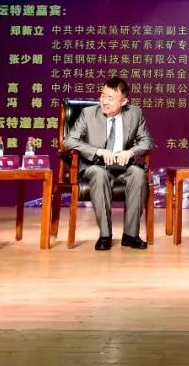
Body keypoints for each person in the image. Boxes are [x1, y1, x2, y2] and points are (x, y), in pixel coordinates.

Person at [65, 77, 154, 251]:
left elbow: (146, 142)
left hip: (123, 166)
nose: (104, 101)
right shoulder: (88, 113)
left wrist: (131, 152)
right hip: (96, 166)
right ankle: (105, 235)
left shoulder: (135, 113)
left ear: (124, 101)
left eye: (110, 98)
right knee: (100, 175)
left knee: (138, 174)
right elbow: (69, 141)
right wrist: (97, 151)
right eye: (103, 95)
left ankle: (130, 235)